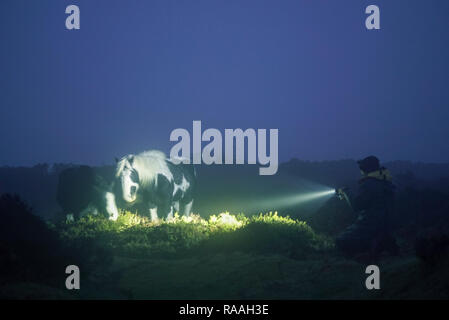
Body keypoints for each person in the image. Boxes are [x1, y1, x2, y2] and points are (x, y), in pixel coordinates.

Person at [336, 156, 399, 259]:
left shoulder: (369, 184)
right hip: (387, 226)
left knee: (340, 241)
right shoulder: (386, 182)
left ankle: (370, 249)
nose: (360, 169)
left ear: (366, 168)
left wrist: (346, 192)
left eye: (362, 166)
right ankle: (382, 243)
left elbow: (357, 206)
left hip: (370, 225)